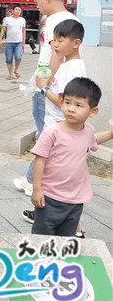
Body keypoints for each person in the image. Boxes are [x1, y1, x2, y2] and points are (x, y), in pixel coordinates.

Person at [18, 20, 88, 227]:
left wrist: (43, 88)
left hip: (58, 127)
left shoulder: (70, 69)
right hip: (58, 126)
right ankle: (50, 215)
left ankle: (66, 223)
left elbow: (65, 103)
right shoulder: (73, 65)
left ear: (76, 43)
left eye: (60, 40)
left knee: (50, 176)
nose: (55, 44)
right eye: (54, 39)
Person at [13, 0, 79, 196]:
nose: (37, 5)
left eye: (37, 1)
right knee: (48, 134)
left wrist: (44, 87)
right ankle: (36, 179)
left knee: (46, 135)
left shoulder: (56, 20)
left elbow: (56, 56)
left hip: (50, 86)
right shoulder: (70, 19)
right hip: (55, 85)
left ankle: (34, 181)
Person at [31, 78, 112, 236]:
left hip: (75, 199)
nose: (71, 109)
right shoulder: (52, 132)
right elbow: (40, 160)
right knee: (42, 239)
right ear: (61, 102)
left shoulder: (88, 131)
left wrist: (110, 134)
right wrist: (37, 189)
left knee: (66, 239)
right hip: (49, 198)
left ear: (92, 111)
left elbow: (94, 140)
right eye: (67, 102)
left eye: (78, 105)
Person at [0, 6, 26, 79]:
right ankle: (10, 74)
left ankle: (16, 70)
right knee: (9, 59)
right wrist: (0, 40)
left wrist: (23, 42)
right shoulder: (7, 19)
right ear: (13, 10)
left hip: (18, 42)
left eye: (19, 10)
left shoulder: (22, 20)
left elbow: (23, 31)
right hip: (9, 42)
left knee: (18, 57)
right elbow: (3, 30)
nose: (18, 11)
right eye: (16, 9)